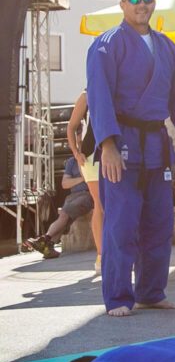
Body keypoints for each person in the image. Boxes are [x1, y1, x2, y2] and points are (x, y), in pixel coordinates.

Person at [86, 0, 175, 317]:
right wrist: (107, 143)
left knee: (160, 222)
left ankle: (151, 291)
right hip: (121, 144)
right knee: (121, 224)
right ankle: (118, 297)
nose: (142, 6)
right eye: (135, 0)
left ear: (154, 2)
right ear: (123, 4)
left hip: (157, 144)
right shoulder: (106, 45)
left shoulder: (168, 46)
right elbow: (99, 98)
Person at [24, 156, 95, 259]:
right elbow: (65, 184)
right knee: (64, 219)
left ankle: (44, 239)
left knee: (64, 215)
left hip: (88, 195)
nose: (78, 142)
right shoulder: (71, 161)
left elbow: (92, 181)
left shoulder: (93, 157)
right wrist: (83, 178)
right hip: (73, 195)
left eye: (80, 140)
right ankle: (49, 246)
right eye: (76, 142)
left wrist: (76, 180)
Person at [66, 89, 103, 272]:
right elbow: (71, 126)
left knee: (119, 204)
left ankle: (120, 252)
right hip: (91, 155)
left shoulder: (121, 85)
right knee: (100, 204)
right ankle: (101, 256)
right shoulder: (87, 94)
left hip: (119, 153)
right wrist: (76, 153)